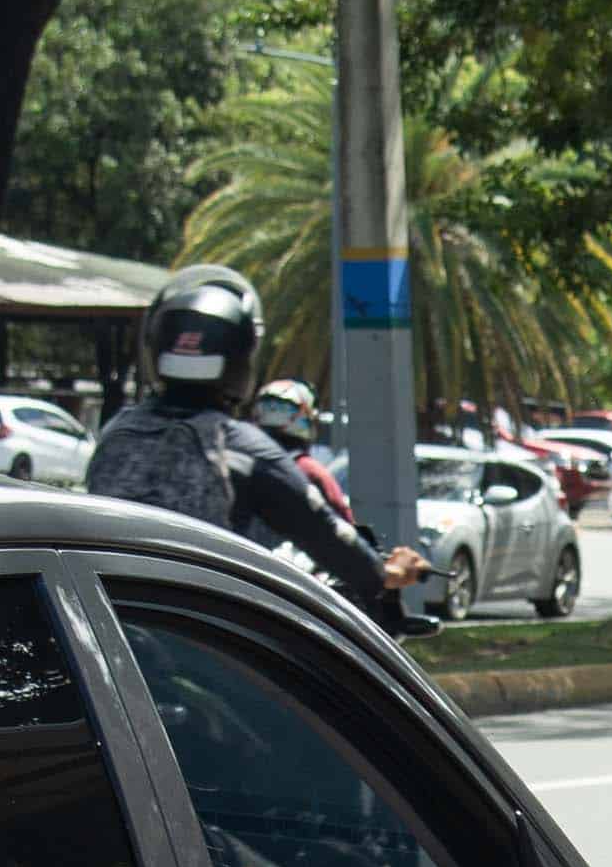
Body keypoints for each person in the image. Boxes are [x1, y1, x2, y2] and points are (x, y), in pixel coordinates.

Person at [88, 270, 432, 632]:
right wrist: (387, 573)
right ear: (241, 357)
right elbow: (325, 535)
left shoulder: (116, 434)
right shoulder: (243, 449)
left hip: (108, 625)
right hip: (196, 640)